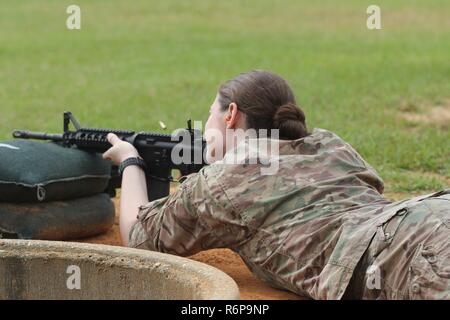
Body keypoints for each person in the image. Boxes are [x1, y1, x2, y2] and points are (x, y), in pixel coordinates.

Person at [102, 70, 449, 300]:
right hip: (427, 216)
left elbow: (139, 239)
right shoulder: (329, 143)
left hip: (405, 253)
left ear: (231, 114)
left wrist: (130, 161)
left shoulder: (223, 182)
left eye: (210, 112)